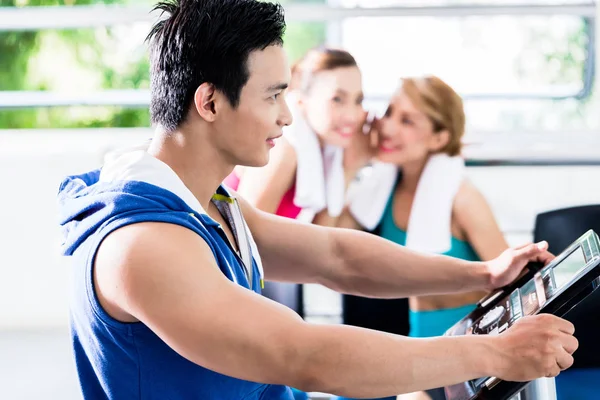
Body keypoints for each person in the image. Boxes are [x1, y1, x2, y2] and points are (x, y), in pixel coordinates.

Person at [56, 1, 578, 399]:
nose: (287, 116)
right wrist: (493, 352)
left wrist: (484, 275)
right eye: (272, 95)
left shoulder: (210, 204)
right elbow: (301, 354)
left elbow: (337, 257)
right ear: (210, 101)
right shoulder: (145, 245)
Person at [338, 76, 509, 400]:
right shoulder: (382, 191)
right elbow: (324, 235)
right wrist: (353, 162)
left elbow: (514, 284)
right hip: (413, 350)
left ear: (439, 137)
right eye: (389, 113)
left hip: (468, 358)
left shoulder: (462, 199)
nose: (387, 127)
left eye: (407, 121)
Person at [223, 46, 371, 348]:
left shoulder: (323, 153)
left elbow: (322, 235)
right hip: (230, 289)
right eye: (337, 99)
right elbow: (237, 241)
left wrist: (350, 165)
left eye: (358, 101)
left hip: (262, 282)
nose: (352, 115)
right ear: (301, 100)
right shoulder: (284, 151)